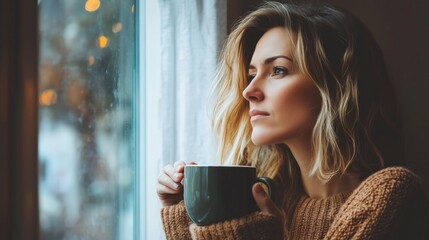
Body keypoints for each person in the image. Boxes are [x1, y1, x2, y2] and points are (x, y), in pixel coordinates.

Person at [156, 2, 429, 239]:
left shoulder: (389, 193)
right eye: (252, 74)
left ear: (335, 88)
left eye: (278, 70)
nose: (248, 90)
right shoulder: (266, 196)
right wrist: (185, 212)